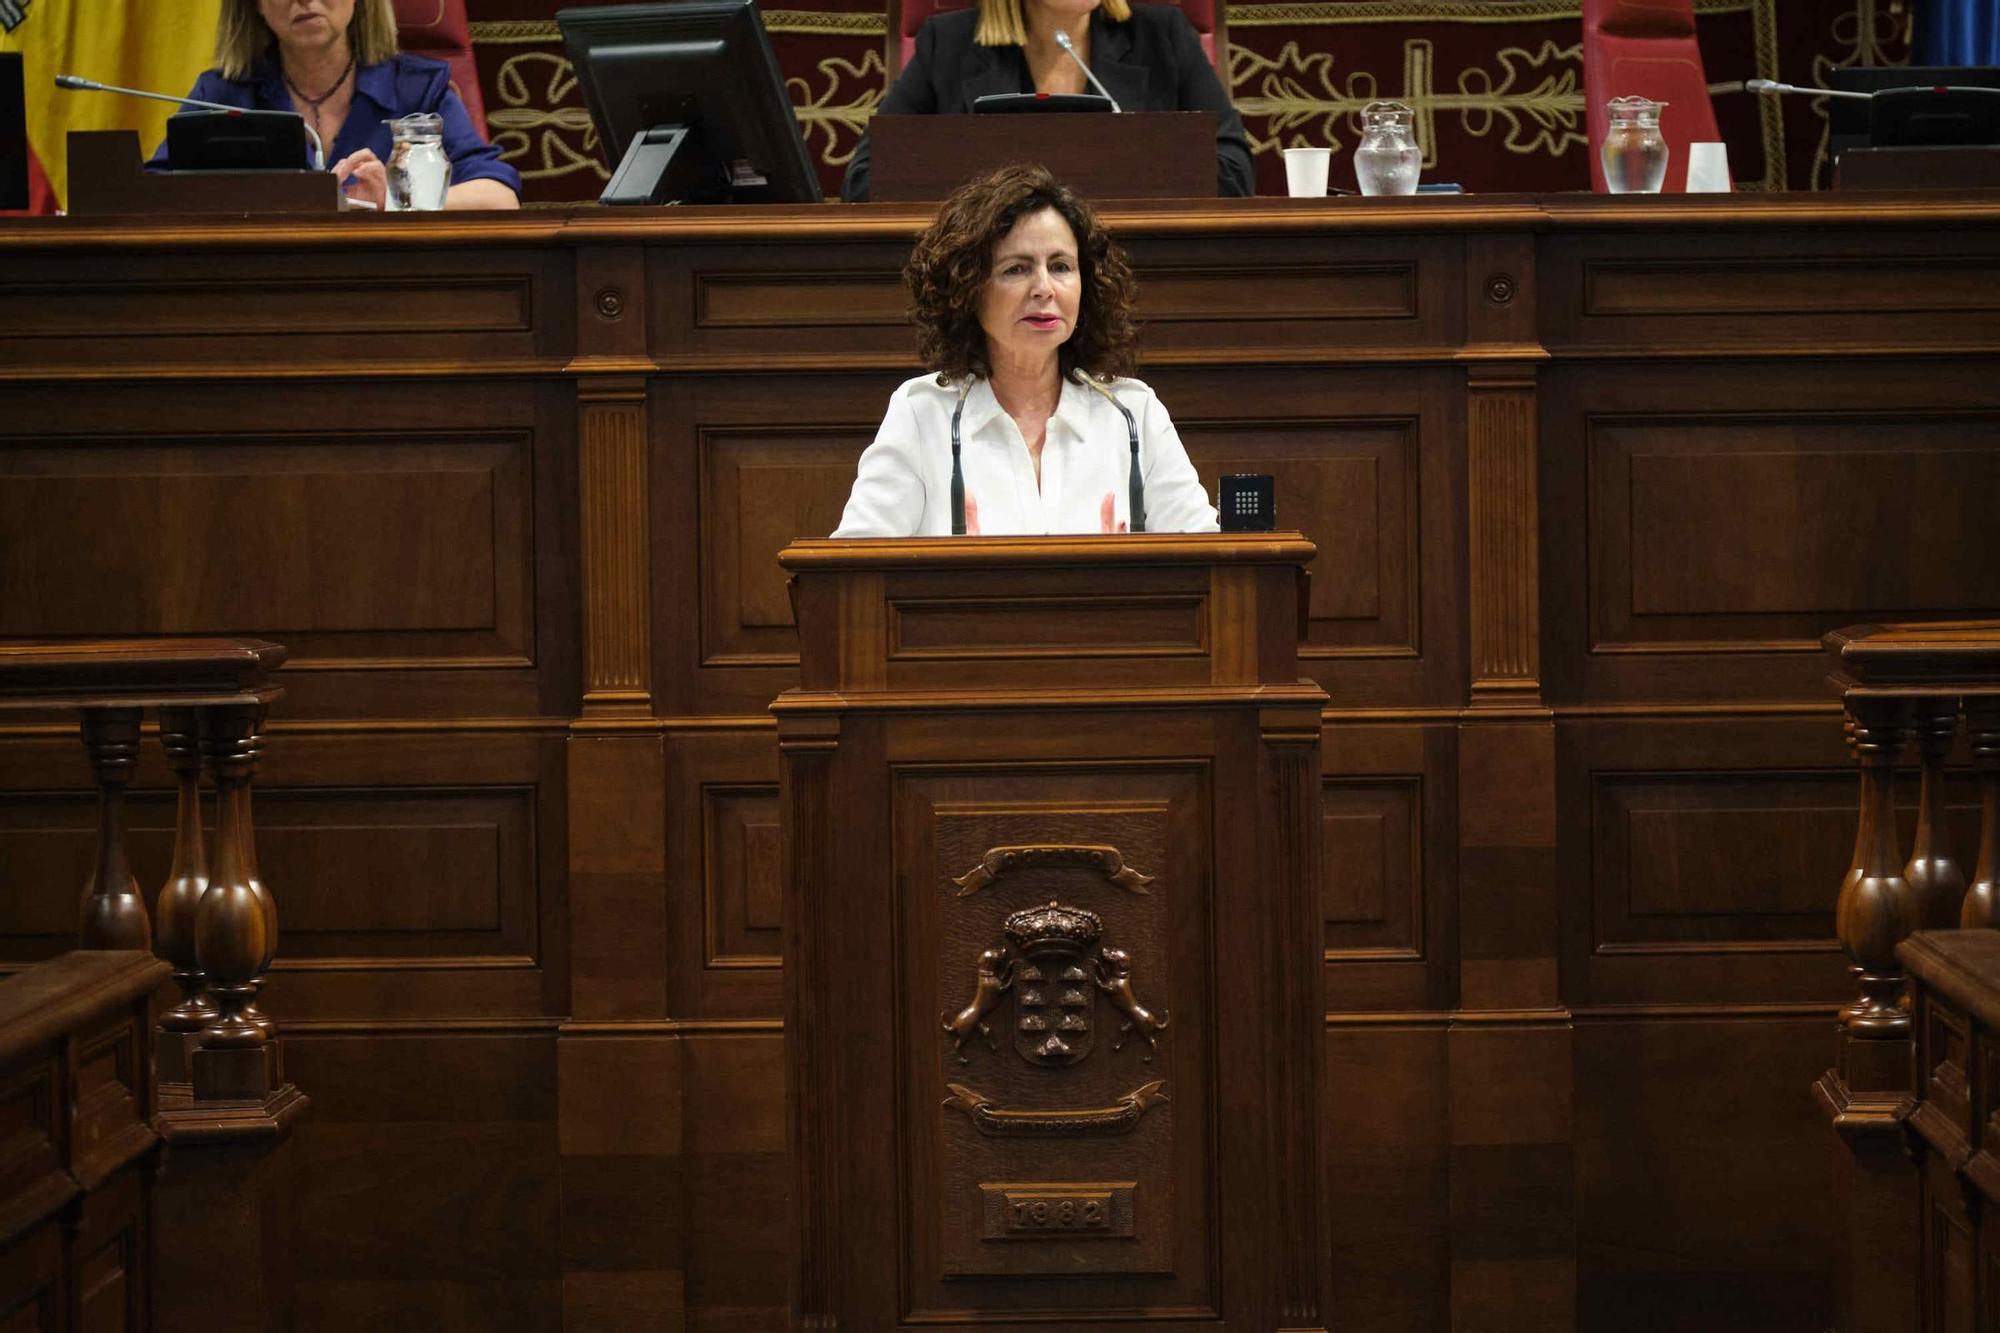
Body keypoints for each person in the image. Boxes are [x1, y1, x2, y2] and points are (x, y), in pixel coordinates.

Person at [833, 164, 1218, 537]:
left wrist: (1123, 577)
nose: (1044, 288)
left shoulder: (1132, 414)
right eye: (1017, 269)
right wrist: (947, 578)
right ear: (969, 289)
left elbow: (1208, 556)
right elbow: (852, 572)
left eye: (1061, 266)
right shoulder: (924, 414)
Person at [840, 0, 1252, 202]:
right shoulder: (946, 44)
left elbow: (1234, 174)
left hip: (1141, 270)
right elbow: (865, 181)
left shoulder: (1163, 37)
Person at [149, 0, 520, 210]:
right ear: (255, 7)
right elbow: (148, 196)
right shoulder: (224, 96)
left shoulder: (416, 91)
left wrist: (393, 202)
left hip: (392, 291)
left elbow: (498, 197)